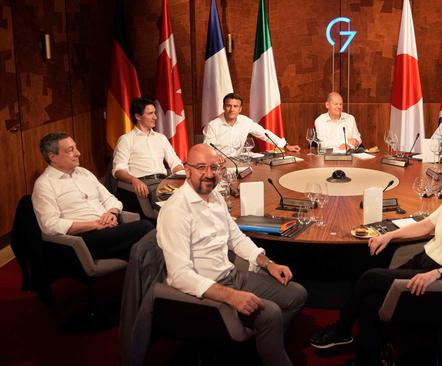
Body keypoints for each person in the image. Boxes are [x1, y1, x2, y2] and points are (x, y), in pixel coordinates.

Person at [309, 148, 442, 366]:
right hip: (425, 260)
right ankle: (369, 358)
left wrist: (435, 274)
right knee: (370, 302)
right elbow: (426, 226)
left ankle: (342, 328)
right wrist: (389, 235)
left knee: (369, 276)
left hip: (440, 277)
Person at [156, 144, 307, 366]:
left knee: (297, 294)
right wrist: (231, 296)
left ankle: (260, 346)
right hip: (207, 291)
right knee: (271, 314)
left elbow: (236, 238)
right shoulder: (176, 210)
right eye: (201, 167)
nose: (209, 174)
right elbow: (179, 275)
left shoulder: (214, 196)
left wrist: (268, 263)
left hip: (231, 275)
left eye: (214, 167)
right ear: (187, 171)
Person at [32, 132, 154, 260]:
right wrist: (95, 224)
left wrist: (111, 213)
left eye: (76, 147)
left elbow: (110, 199)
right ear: (52, 157)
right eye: (70, 150)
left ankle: (145, 275)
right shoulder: (44, 184)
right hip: (83, 239)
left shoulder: (84, 173)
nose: (78, 153)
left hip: (110, 230)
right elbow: (50, 225)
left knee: (143, 251)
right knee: (146, 228)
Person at [112, 97, 184, 217]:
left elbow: (175, 162)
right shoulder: (126, 140)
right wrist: (134, 180)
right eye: (150, 113)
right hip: (146, 184)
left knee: (193, 197)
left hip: (166, 182)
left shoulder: (161, 138)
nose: (155, 117)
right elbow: (118, 170)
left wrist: (181, 175)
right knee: (177, 206)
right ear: (138, 116)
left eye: (154, 113)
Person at [203, 93, 301, 156]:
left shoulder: (245, 121)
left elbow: (264, 134)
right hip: (220, 165)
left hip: (240, 163)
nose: (232, 109)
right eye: (229, 106)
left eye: (235, 106)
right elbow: (207, 151)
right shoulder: (213, 126)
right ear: (224, 107)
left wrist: (285, 145)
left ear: (240, 109)